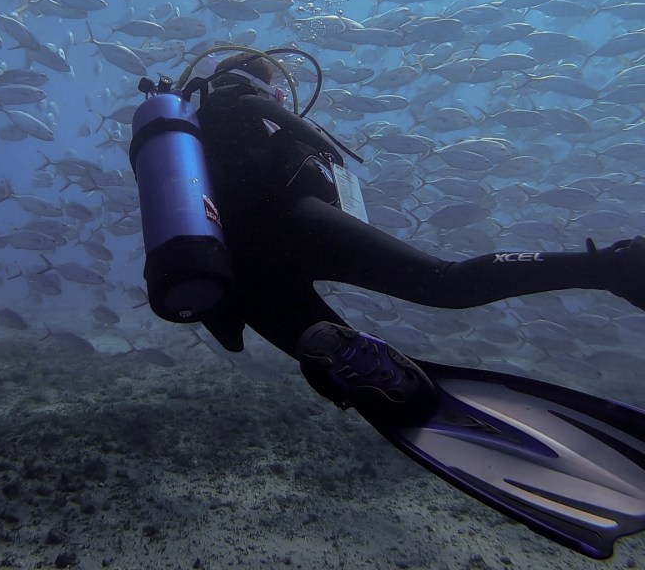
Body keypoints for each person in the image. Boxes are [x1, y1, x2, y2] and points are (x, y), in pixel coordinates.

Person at [132, 49, 645, 559]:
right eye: (280, 88)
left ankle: (337, 353)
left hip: (238, 273)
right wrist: (317, 144)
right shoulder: (248, 100)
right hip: (294, 226)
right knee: (444, 283)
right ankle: (610, 266)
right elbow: (315, 144)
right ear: (268, 85)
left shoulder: (186, 136)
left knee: (320, 340)